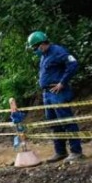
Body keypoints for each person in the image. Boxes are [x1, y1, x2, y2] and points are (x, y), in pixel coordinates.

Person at [27, 31, 83, 163]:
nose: (35, 51)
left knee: (66, 121)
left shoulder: (58, 51)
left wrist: (62, 83)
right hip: (47, 94)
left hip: (58, 93)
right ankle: (60, 151)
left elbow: (73, 64)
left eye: (35, 48)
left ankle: (76, 151)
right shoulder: (44, 55)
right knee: (54, 123)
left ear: (41, 45)